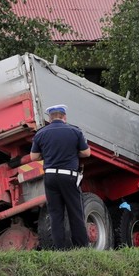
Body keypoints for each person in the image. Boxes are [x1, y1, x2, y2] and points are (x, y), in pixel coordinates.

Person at [29, 104, 91, 249]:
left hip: (50, 177)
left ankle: (60, 249)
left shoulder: (41, 134)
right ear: (64, 117)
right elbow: (87, 153)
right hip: (69, 176)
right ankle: (81, 247)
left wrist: (47, 155)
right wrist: (74, 153)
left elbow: (33, 157)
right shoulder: (75, 131)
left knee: (55, 214)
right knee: (75, 212)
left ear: (49, 119)